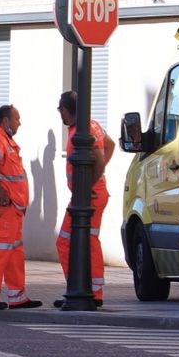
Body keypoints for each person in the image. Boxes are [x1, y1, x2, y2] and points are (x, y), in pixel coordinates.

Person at [54, 90, 114, 306]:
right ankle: (87, 290)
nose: (60, 115)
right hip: (90, 194)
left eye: (60, 110)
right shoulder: (92, 124)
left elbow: (99, 157)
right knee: (84, 240)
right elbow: (110, 145)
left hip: (89, 196)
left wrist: (88, 184)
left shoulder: (82, 129)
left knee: (74, 241)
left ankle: (82, 290)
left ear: (66, 111)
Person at [0, 104, 40, 311]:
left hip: (11, 209)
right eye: (17, 119)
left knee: (13, 252)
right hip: (3, 208)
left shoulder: (5, 140)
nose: (19, 123)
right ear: (6, 121)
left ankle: (16, 296)